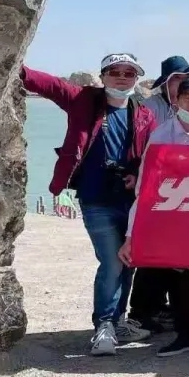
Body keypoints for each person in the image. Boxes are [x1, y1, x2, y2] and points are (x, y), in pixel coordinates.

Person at [19, 53, 156, 355]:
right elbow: (51, 86)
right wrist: (16, 68)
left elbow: (151, 155)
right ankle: (104, 325)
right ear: (103, 76)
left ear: (136, 79)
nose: (122, 78)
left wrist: (135, 174)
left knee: (128, 261)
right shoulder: (83, 100)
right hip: (96, 198)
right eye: (115, 72)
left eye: (129, 73)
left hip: (131, 202)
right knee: (112, 261)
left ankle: (118, 320)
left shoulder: (145, 114)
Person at [118, 76, 189, 356]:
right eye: (188, 98)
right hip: (172, 218)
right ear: (176, 100)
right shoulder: (162, 135)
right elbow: (144, 188)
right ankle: (187, 332)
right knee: (172, 278)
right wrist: (131, 235)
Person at [142, 56, 189, 126]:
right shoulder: (151, 106)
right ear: (165, 83)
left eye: (187, 78)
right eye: (177, 77)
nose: (183, 82)